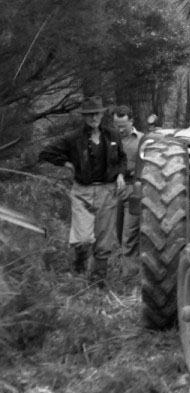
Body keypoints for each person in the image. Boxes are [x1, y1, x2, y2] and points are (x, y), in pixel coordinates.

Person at [38, 96, 126, 288]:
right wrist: (67, 163)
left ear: (102, 114)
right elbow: (46, 152)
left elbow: (122, 159)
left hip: (107, 191)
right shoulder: (73, 138)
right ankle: (79, 264)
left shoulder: (112, 135)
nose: (94, 118)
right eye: (89, 115)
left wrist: (120, 175)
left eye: (97, 113)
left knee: (103, 241)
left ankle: (98, 282)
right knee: (84, 239)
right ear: (84, 117)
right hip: (82, 191)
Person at [112, 105, 143, 271]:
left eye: (123, 125)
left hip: (133, 189)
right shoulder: (109, 139)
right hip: (112, 190)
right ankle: (125, 266)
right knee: (117, 233)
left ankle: (129, 274)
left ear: (131, 121)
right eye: (117, 125)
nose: (120, 129)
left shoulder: (142, 140)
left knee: (129, 233)